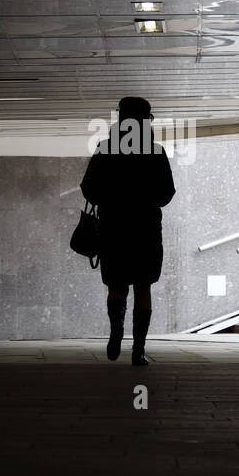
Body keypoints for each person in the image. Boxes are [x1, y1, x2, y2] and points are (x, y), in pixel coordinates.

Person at [80, 97, 175, 366]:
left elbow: (88, 189)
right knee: (143, 287)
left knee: (117, 285)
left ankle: (116, 332)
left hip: (114, 227)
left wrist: (112, 198)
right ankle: (139, 350)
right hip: (145, 229)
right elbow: (167, 193)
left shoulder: (105, 149)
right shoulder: (155, 152)